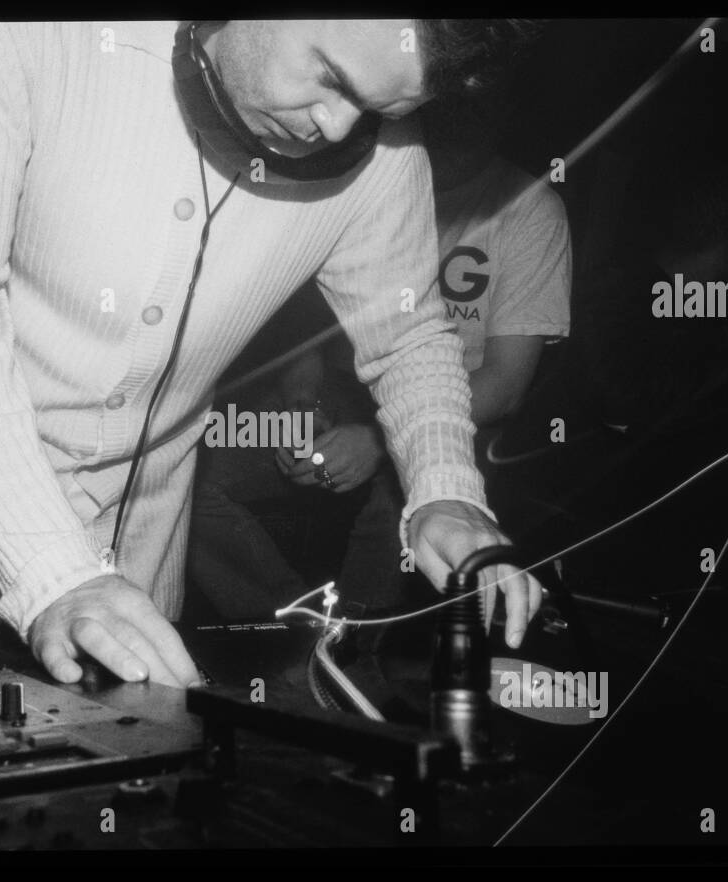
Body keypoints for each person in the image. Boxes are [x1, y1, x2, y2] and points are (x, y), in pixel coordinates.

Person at [0, 19, 545, 689]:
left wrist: (446, 489)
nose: (337, 127)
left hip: (133, 603)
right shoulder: (19, 32)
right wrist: (53, 572)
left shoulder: (384, 154)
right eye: (329, 76)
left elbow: (411, 337)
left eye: (376, 111)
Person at [190, 95, 572, 615]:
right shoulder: (368, 177)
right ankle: (294, 633)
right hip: (346, 393)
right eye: (446, 108)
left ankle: (360, 648)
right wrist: (301, 402)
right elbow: (307, 323)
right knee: (190, 474)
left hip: (457, 420)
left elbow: (504, 385)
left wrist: (376, 440)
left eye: (477, 106)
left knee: (401, 516)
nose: (458, 123)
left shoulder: (530, 209)